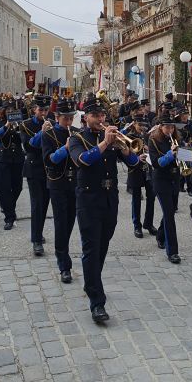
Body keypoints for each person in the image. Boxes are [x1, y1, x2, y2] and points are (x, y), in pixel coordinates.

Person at [68, 96, 139, 322]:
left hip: (110, 199)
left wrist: (127, 151)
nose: (100, 119)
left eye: (102, 116)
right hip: (88, 199)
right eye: (95, 116)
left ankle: (91, 282)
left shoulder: (113, 138)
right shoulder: (77, 138)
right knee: (91, 247)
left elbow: (134, 164)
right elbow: (83, 161)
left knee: (103, 244)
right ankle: (97, 303)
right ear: (86, 117)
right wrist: (105, 143)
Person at [41, 98, 79, 284]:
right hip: (57, 184)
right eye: (65, 119)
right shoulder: (48, 135)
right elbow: (50, 160)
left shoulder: (77, 133)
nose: (69, 123)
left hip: (76, 183)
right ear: (57, 117)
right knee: (61, 224)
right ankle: (64, 264)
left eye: (71, 118)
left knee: (70, 223)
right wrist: (65, 148)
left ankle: (63, 252)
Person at [20, 95, 52, 256]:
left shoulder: (53, 122)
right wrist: (41, 132)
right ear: (34, 110)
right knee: (38, 205)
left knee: (45, 204)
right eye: (41, 110)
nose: (44, 113)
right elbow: (29, 146)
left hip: (50, 169)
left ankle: (38, 232)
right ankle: (36, 240)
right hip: (34, 168)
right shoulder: (26, 124)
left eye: (46, 110)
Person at [148, 112, 182, 264]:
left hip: (175, 179)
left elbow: (185, 157)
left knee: (171, 211)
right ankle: (172, 251)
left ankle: (161, 236)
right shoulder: (153, 141)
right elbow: (157, 163)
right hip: (161, 180)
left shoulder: (177, 139)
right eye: (167, 127)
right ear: (161, 127)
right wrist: (171, 154)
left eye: (172, 127)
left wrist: (186, 155)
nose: (170, 130)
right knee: (169, 214)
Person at [0, 106, 25, 230]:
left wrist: (19, 127)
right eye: (9, 111)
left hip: (18, 159)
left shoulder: (21, 124)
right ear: (4, 113)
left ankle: (9, 207)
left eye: (13, 112)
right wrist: (6, 125)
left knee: (18, 187)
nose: (11, 113)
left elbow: (24, 138)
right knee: (5, 189)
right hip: (3, 159)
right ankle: (9, 217)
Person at [125, 117, 157, 239]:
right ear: (135, 124)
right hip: (135, 170)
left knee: (151, 197)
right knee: (136, 198)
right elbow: (126, 154)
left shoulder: (147, 136)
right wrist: (137, 155)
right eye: (140, 125)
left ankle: (148, 223)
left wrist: (149, 149)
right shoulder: (129, 136)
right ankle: (136, 225)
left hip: (148, 169)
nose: (143, 127)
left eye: (144, 125)